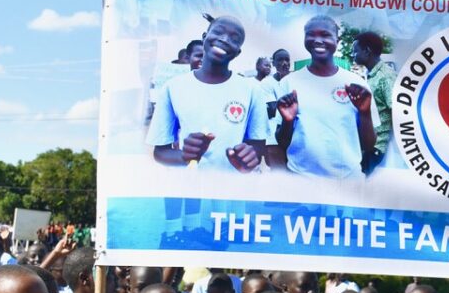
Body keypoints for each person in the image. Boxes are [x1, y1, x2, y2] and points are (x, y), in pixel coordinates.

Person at [146, 13, 267, 171]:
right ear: (205, 37)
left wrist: (247, 157)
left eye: (234, 39)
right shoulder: (173, 88)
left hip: (233, 187)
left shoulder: (252, 90)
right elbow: (160, 153)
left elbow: (258, 149)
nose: (224, 39)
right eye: (218, 32)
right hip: (187, 187)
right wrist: (184, 156)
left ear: (238, 52)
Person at [271, 16, 376, 179]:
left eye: (325, 35)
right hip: (301, 179)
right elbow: (282, 142)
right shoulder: (289, 83)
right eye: (311, 34)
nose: (317, 40)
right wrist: (288, 120)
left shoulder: (356, 83)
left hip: (347, 180)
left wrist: (365, 113)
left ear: (337, 40)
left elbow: (368, 145)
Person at [350, 30, 395, 172]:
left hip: (378, 150)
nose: (352, 55)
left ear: (367, 51)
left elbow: (399, 113)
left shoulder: (386, 77)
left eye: (355, 51)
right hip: (368, 146)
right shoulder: (371, 75)